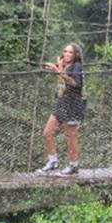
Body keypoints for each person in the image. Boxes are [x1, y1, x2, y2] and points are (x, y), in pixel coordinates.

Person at [37, 43, 86, 175]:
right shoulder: (63, 65)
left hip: (73, 105)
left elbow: (75, 83)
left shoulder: (77, 67)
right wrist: (54, 67)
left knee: (71, 136)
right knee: (47, 133)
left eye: (70, 52)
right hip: (61, 103)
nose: (67, 54)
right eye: (65, 51)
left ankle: (73, 165)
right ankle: (53, 161)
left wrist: (58, 70)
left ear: (76, 55)